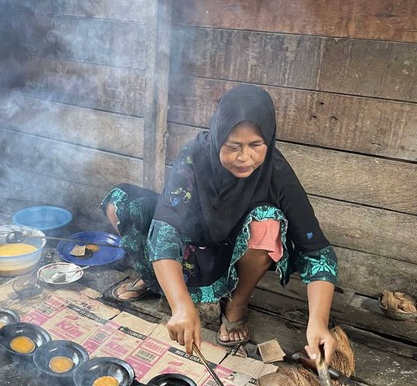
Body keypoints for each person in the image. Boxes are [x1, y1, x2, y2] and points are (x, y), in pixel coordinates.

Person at [102, 84, 338, 363]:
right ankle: (157, 280)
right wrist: (181, 306)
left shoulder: (276, 171)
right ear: (218, 137)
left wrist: (318, 324)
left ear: (269, 141)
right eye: (233, 146)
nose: (244, 157)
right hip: (190, 241)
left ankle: (236, 305)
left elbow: (317, 250)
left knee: (267, 222)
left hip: (230, 252)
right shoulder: (194, 155)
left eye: (255, 145)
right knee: (120, 201)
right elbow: (165, 228)